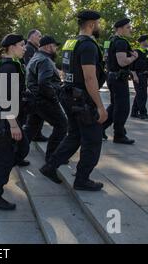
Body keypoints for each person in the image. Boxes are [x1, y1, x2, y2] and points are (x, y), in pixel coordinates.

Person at [40, 10, 108, 192]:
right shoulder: (88, 45)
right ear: (92, 24)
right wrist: (100, 106)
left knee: (75, 135)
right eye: (98, 24)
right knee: (93, 140)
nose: (99, 27)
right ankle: (82, 179)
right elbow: (89, 78)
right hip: (83, 99)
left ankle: (50, 166)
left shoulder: (71, 43)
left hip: (69, 95)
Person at [0, 34, 30, 210]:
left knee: (21, 149)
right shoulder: (8, 67)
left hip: (3, 117)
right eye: (21, 45)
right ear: (11, 47)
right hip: (4, 120)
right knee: (4, 159)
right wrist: (14, 124)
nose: (24, 48)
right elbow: (5, 98)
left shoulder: (5, 63)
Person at [24, 36, 68, 163]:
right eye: (55, 47)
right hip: (44, 100)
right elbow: (44, 83)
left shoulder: (36, 57)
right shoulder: (45, 60)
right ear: (49, 47)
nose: (56, 50)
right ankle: (53, 157)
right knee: (62, 125)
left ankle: (16, 154)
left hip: (35, 100)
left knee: (30, 129)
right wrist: (54, 98)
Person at [102, 18, 138, 144]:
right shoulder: (121, 42)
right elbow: (122, 62)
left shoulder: (111, 40)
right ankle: (119, 135)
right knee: (122, 108)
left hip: (112, 76)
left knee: (115, 106)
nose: (130, 29)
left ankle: (100, 128)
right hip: (118, 78)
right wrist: (134, 57)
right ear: (120, 28)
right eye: (128, 27)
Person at [24, 29, 48, 143]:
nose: (40, 38)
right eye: (39, 36)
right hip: (32, 86)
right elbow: (31, 67)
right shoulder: (29, 49)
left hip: (33, 85)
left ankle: (36, 134)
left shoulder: (33, 49)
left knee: (37, 113)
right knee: (35, 113)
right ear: (32, 36)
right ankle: (34, 135)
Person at [131, 35, 148, 119]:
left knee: (140, 94)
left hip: (144, 75)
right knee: (142, 95)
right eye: (147, 40)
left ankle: (134, 112)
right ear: (143, 42)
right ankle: (143, 113)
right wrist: (135, 76)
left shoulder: (147, 52)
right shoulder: (136, 51)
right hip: (138, 75)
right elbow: (131, 66)